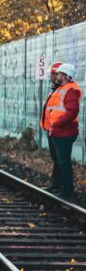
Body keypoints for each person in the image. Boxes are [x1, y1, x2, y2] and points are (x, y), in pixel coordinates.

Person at [42, 63, 80, 199]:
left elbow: (72, 111)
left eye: (58, 74)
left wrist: (56, 124)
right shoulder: (62, 88)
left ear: (64, 76)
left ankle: (67, 190)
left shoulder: (70, 90)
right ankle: (59, 185)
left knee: (64, 162)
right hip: (58, 131)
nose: (56, 75)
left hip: (64, 131)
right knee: (60, 160)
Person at [40, 61, 64, 190]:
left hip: (58, 130)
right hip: (51, 129)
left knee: (60, 158)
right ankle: (56, 184)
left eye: (55, 74)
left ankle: (58, 184)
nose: (52, 77)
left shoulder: (62, 91)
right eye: (52, 74)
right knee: (56, 158)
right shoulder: (54, 90)